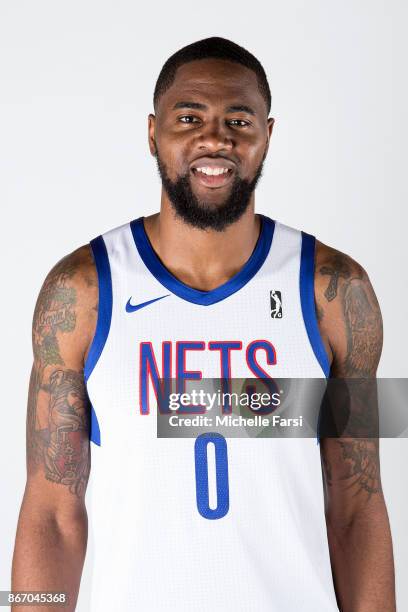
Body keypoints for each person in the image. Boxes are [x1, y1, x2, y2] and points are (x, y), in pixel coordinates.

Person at [12, 37, 395, 611]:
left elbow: (357, 507)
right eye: (189, 116)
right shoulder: (82, 293)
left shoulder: (334, 292)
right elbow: (52, 511)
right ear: (152, 131)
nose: (215, 138)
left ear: (268, 135)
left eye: (238, 119)